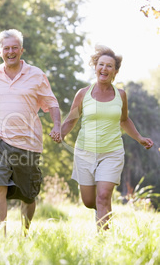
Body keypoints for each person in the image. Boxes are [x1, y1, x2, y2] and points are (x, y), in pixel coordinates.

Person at [0, 29, 61, 236]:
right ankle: (2, 235)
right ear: (0, 51)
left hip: (28, 143)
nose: (11, 52)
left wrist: (57, 125)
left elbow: (52, 103)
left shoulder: (36, 74)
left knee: (28, 196)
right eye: (6, 48)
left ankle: (25, 234)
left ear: (21, 50)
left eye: (14, 48)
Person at [61, 45, 154, 230]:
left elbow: (124, 120)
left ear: (115, 72)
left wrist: (139, 138)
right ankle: (104, 211)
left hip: (111, 152)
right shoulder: (83, 94)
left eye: (109, 66)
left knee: (103, 196)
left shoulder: (121, 95)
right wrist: (59, 134)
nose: (104, 68)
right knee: (89, 201)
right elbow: (71, 120)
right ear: (95, 67)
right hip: (84, 152)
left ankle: (105, 239)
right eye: (101, 64)